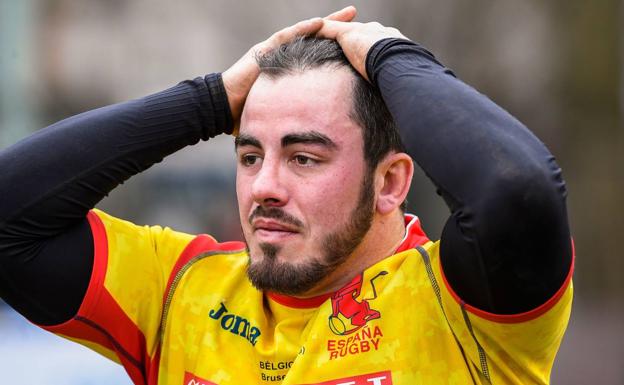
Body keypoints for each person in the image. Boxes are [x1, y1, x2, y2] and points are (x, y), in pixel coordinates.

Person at [0, 6, 573, 385]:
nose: (265, 188)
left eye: (304, 157)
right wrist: (208, 101)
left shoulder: (460, 303)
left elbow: (514, 190)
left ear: (390, 183)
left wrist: (395, 60)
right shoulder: (177, 290)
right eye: (250, 156)